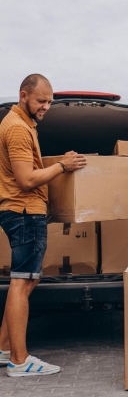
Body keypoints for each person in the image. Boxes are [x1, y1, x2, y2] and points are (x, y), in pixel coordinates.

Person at [0, 74, 87, 377]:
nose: (47, 106)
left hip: (24, 211)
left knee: (27, 281)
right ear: (24, 95)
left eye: (50, 101)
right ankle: (20, 361)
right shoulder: (18, 130)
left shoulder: (22, 125)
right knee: (22, 283)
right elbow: (25, 180)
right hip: (24, 212)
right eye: (41, 100)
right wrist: (63, 166)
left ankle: (4, 348)